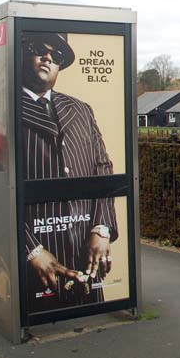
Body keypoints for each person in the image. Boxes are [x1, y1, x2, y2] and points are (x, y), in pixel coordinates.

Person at [20, 31, 118, 313]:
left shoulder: (81, 110)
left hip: (85, 254)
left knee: (95, 322)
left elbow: (103, 169)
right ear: (26, 51)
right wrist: (31, 250)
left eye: (57, 55)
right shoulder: (7, 109)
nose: (48, 57)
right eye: (41, 48)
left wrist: (102, 229)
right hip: (40, 256)